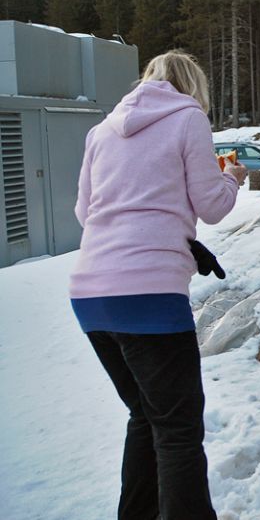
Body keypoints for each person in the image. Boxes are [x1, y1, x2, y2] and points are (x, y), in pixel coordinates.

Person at [69, 50, 248, 520]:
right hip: (147, 294)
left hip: (90, 295)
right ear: (193, 86)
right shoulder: (188, 117)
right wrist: (232, 179)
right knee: (178, 430)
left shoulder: (101, 130)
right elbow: (211, 204)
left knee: (146, 418)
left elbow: (83, 213)